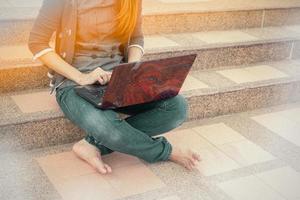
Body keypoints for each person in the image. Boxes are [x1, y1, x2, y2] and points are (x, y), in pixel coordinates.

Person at [28, 0, 201, 174]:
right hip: (74, 82)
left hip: (118, 79)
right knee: (106, 126)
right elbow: (37, 43)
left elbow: (136, 38)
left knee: (176, 107)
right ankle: (165, 151)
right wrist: (82, 77)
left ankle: (92, 144)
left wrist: (131, 71)